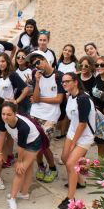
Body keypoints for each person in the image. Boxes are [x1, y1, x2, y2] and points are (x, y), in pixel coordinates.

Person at [57, 72, 96, 209]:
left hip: (84, 136)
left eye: (67, 81)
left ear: (75, 82)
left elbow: (82, 123)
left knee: (71, 163)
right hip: (73, 133)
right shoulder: (70, 96)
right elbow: (72, 118)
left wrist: (73, 142)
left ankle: (70, 199)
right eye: (63, 82)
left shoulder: (83, 99)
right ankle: (80, 181)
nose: (65, 84)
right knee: (64, 158)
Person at [27, 51, 63, 183]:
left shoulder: (58, 76)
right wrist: (37, 81)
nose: (36, 66)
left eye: (38, 62)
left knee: (44, 144)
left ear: (45, 59)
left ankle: (53, 168)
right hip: (35, 113)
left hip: (50, 115)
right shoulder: (35, 74)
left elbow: (59, 99)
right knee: (35, 143)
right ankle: (41, 166)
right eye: (33, 64)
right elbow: (35, 98)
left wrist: (40, 99)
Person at [0, 102, 42, 209]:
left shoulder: (23, 127)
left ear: (15, 114)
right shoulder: (3, 120)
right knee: (27, 168)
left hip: (33, 143)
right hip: (24, 142)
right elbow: (2, 134)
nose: (5, 117)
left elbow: (21, 146)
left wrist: (19, 161)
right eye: (3, 114)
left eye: (8, 114)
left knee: (20, 170)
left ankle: (12, 198)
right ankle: (24, 193)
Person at [14, 49, 33, 116]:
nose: (20, 59)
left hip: (27, 100)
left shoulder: (30, 71)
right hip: (17, 98)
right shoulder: (14, 72)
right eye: (18, 57)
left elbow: (32, 89)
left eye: (23, 57)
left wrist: (31, 83)